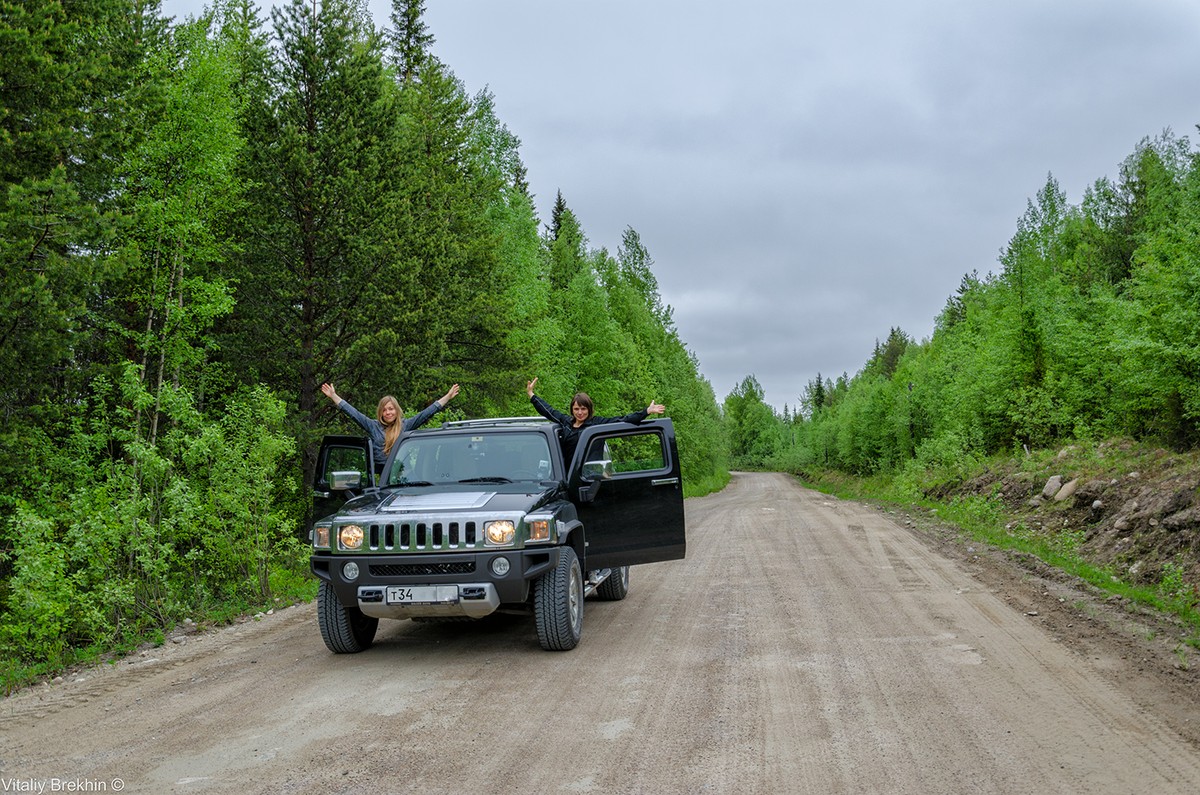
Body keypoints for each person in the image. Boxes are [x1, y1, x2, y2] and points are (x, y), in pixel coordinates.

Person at [321, 382, 460, 474]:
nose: (388, 412)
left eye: (391, 409)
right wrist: (334, 396)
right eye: (385, 410)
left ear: (396, 410)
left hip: (402, 475)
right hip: (379, 476)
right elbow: (353, 414)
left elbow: (426, 413)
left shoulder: (406, 425)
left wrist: (447, 397)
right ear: (380, 412)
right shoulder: (373, 426)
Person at [526, 377, 664, 463]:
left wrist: (646, 411)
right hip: (566, 474)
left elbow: (624, 420)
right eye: (576, 409)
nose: (580, 413)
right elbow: (548, 410)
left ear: (589, 409)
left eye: (583, 409)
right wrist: (532, 394)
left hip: (588, 477)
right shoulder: (566, 422)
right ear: (572, 410)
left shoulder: (597, 424)